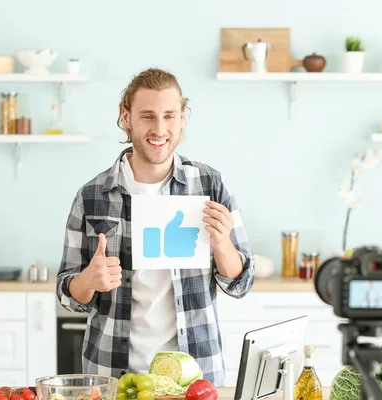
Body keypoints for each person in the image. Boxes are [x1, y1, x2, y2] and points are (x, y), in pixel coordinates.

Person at [55, 67, 255, 387]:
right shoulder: (91, 196)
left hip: (195, 375)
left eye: (169, 116)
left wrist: (222, 245)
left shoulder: (209, 184)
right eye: (147, 115)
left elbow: (240, 283)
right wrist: (88, 280)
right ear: (126, 117)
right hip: (113, 375)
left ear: (182, 119)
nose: (159, 128)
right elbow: (69, 295)